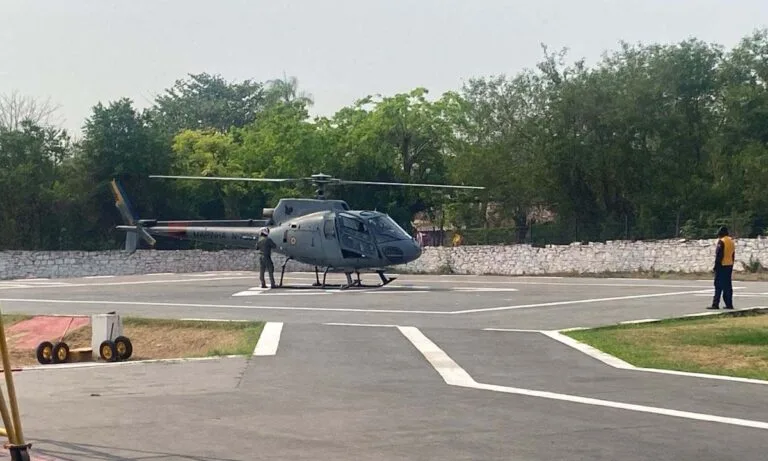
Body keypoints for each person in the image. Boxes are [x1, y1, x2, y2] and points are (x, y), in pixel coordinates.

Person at [709, 226, 735, 310]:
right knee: (727, 286)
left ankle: (715, 304)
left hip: (721, 266)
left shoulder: (722, 241)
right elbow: (733, 255)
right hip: (729, 265)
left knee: (718, 285)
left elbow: (719, 255)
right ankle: (729, 304)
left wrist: (716, 267)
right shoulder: (731, 241)